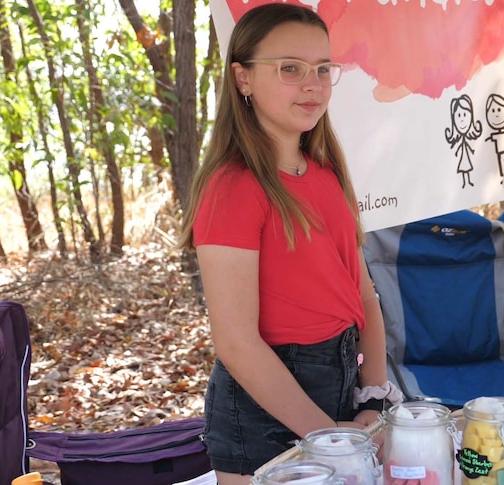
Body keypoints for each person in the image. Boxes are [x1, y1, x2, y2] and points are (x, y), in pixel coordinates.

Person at [179, 4, 400, 483]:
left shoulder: (325, 172)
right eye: (289, 69)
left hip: (342, 383)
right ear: (243, 79)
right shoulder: (232, 187)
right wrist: (330, 439)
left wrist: (374, 396)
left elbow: (364, 298)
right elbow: (237, 343)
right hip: (265, 406)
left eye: (323, 69)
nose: (313, 84)